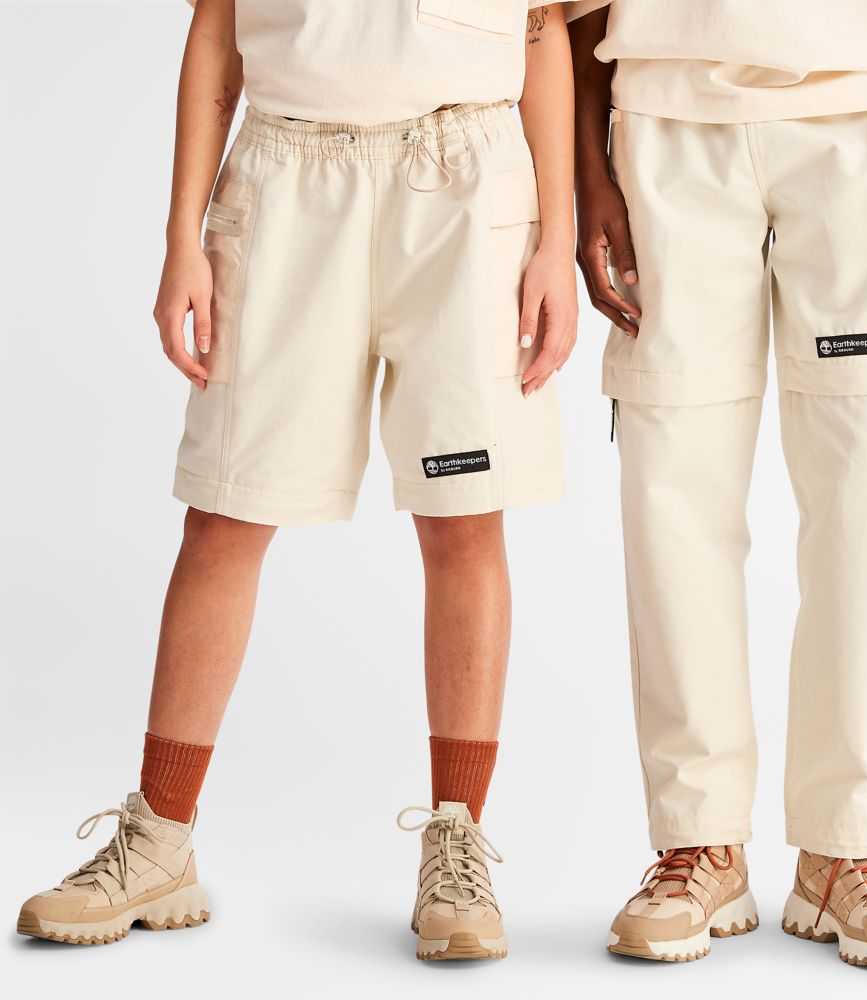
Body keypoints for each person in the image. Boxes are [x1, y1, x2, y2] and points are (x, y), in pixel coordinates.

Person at [17, 1, 577, 962]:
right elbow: (215, 28)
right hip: (287, 177)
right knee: (226, 512)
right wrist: (181, 236)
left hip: (467, 181)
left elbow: (541, 27)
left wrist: (555, 238)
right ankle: (159, 840)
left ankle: (457, 841)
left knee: (463, 518)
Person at [569, 0, 867, 965]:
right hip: (664, 117)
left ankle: (847, 849)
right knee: (673, 491)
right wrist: (589, 175)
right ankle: (698, 843)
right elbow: (567, 15)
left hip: (860, 122)